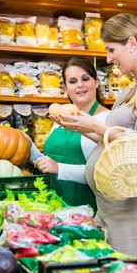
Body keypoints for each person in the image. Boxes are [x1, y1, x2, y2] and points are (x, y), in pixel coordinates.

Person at [56, 13, 137, 257]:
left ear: (131, 43)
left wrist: (97, 127)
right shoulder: (129, 91)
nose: (108, 58)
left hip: (136, 205)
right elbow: (116, 144)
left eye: (111, 49)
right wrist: (82, 128)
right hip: (113, 206)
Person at [32, 56, 109, 212]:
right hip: (53, 204)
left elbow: (104, 174)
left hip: (86, 209)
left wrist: (59, 168)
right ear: (66, 88)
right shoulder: (60, 118)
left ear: (97, 82)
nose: (80, 85)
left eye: (85, 79)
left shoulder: (106, 120)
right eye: (73, 81)